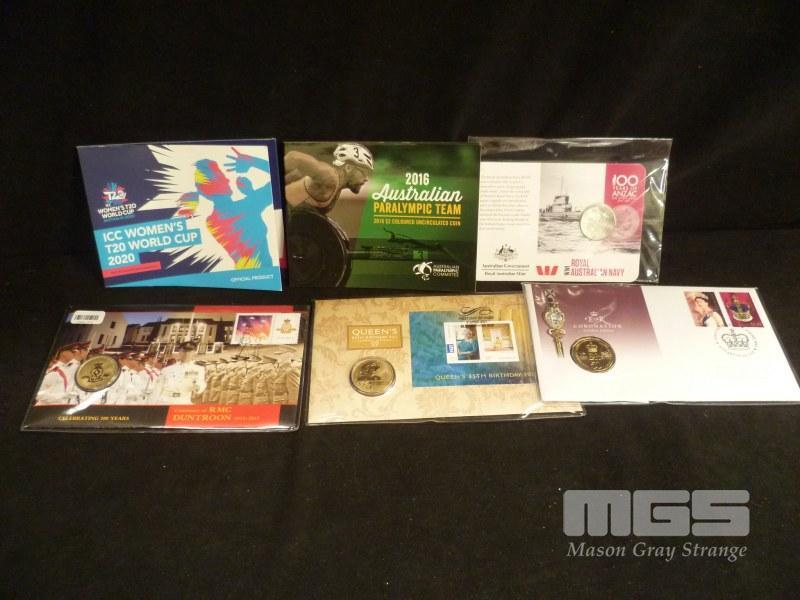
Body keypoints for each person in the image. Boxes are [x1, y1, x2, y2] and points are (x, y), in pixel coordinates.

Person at [178, 148, 274, 269]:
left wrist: (251, 194)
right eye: (221, 177)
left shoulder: (211, 221)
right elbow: (276, 180)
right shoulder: (246, 207)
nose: (227, 179)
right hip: (262, 274)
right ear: (211, 188)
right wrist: (251, 161)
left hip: (245, 274)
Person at [283, 143, 373, 213]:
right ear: (348, 168)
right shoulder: (329, 176)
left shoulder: (336, 185)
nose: (366, 178)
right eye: (364, 172)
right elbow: (294, 157)